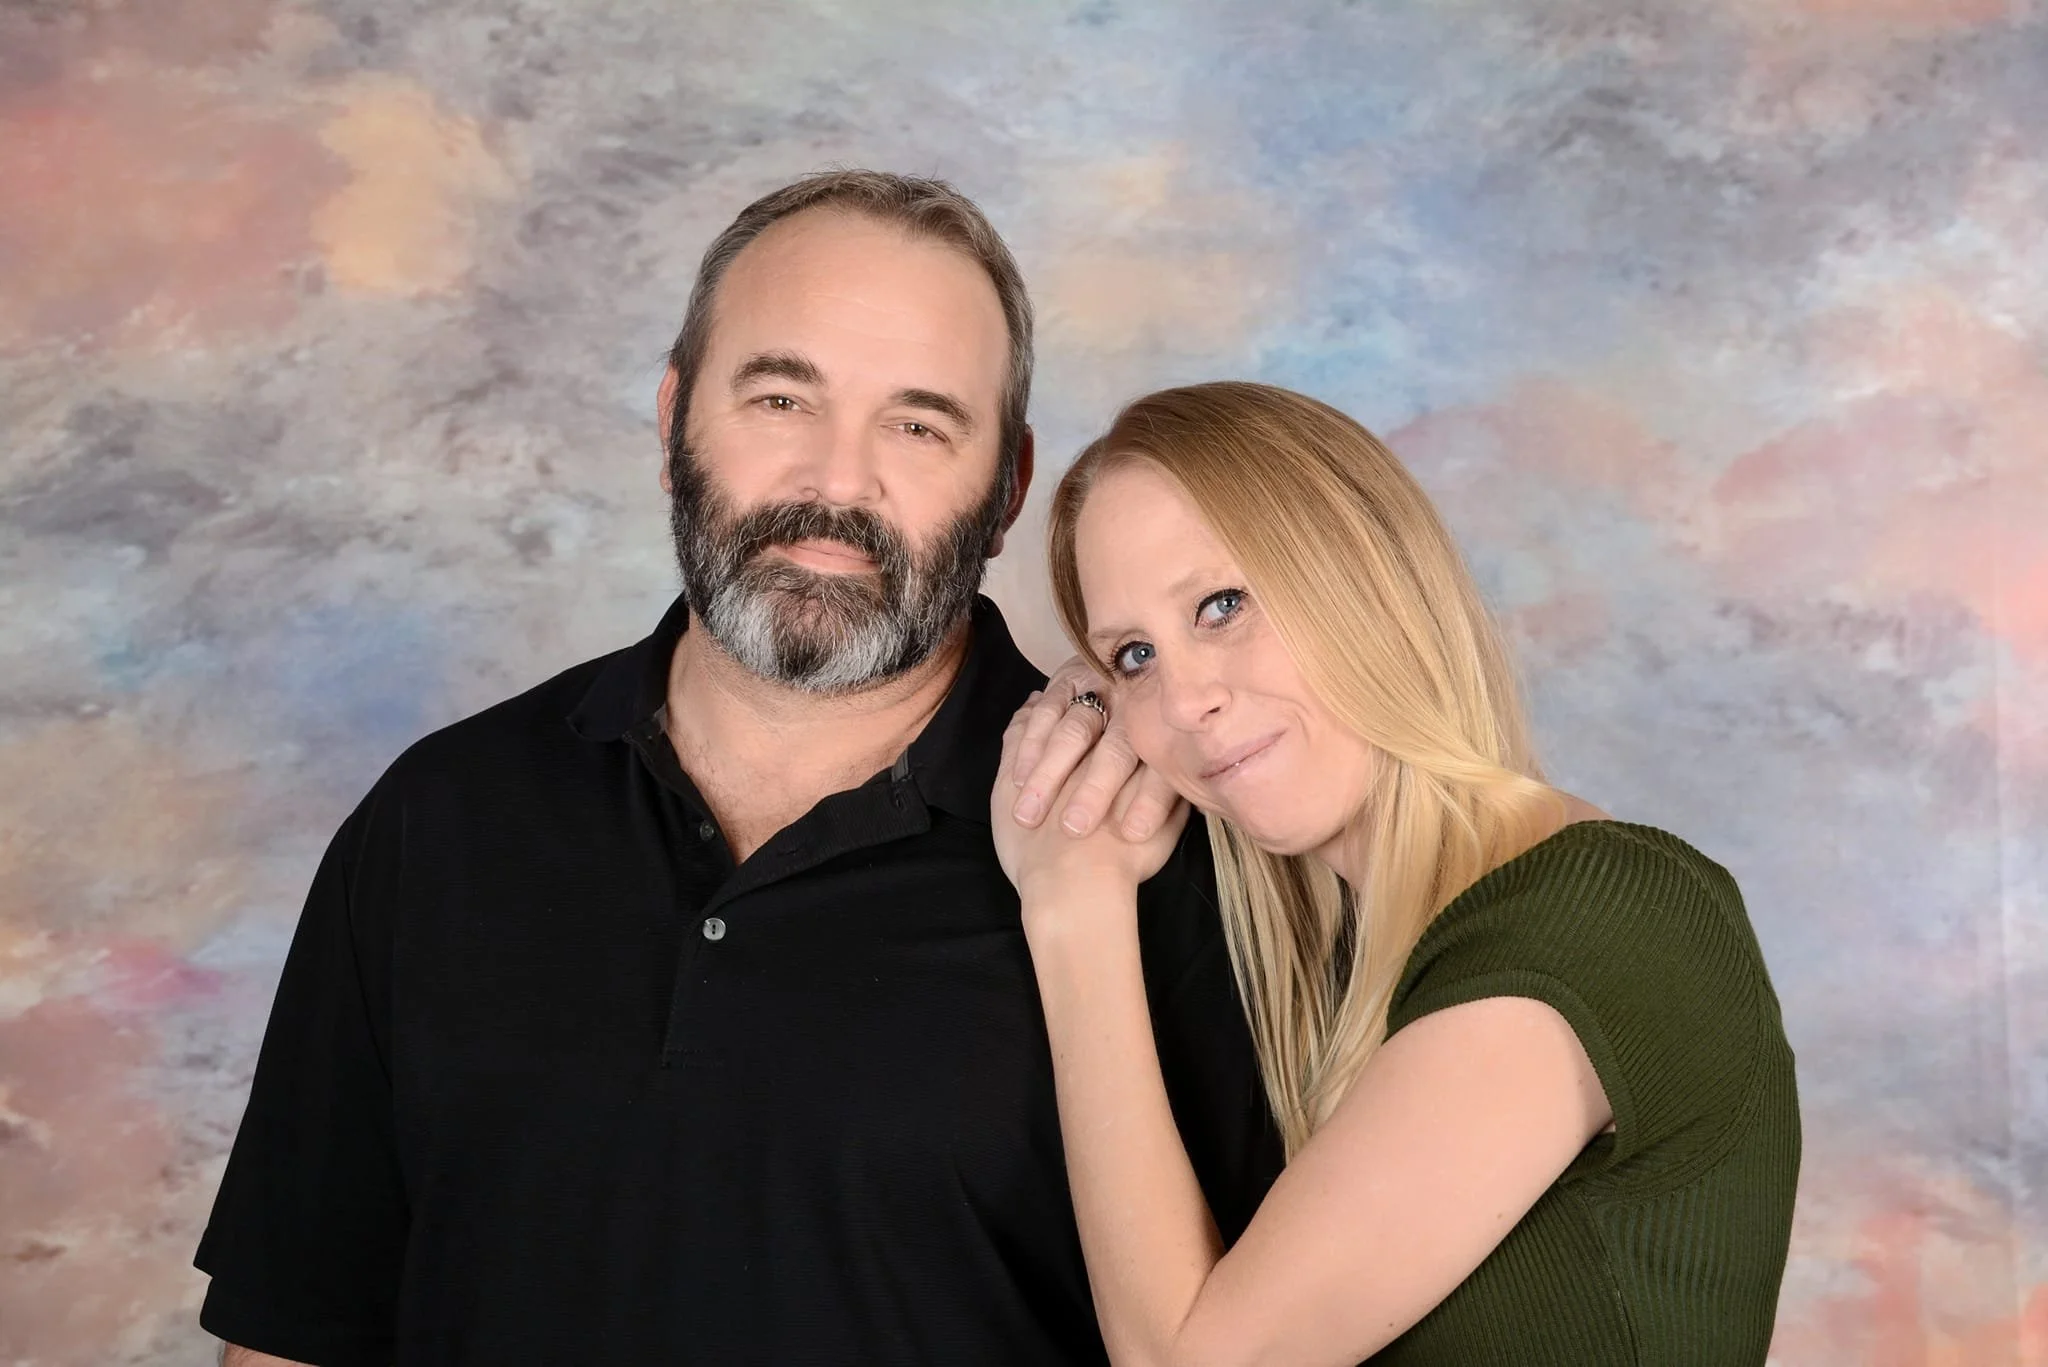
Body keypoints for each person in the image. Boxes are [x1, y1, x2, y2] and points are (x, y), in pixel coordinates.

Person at [195, 173, 1281, 1367]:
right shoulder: (439, 818)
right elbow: (298, 1329)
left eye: (917, 424)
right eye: (779, 396)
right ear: (673, 422)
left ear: (1007, 488)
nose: (836, 480)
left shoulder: (1158, 855)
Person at [991, 381, 1801, 1365]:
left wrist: (1073, 903)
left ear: (1368, 574)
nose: (1184, 696)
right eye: (1131, 655)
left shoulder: (1598, 922)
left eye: (1219, 603)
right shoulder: (1360, 987)